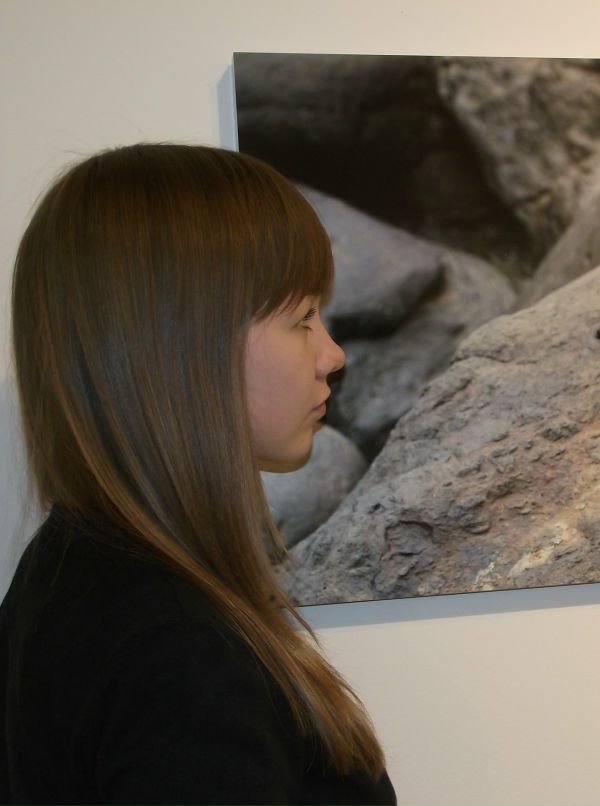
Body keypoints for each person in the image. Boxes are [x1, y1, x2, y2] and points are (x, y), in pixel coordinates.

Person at [0, 144, 396, 804]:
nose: (332, 354)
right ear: (185, 348)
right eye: (301, 320)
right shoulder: (177, 652)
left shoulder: (71, 578)